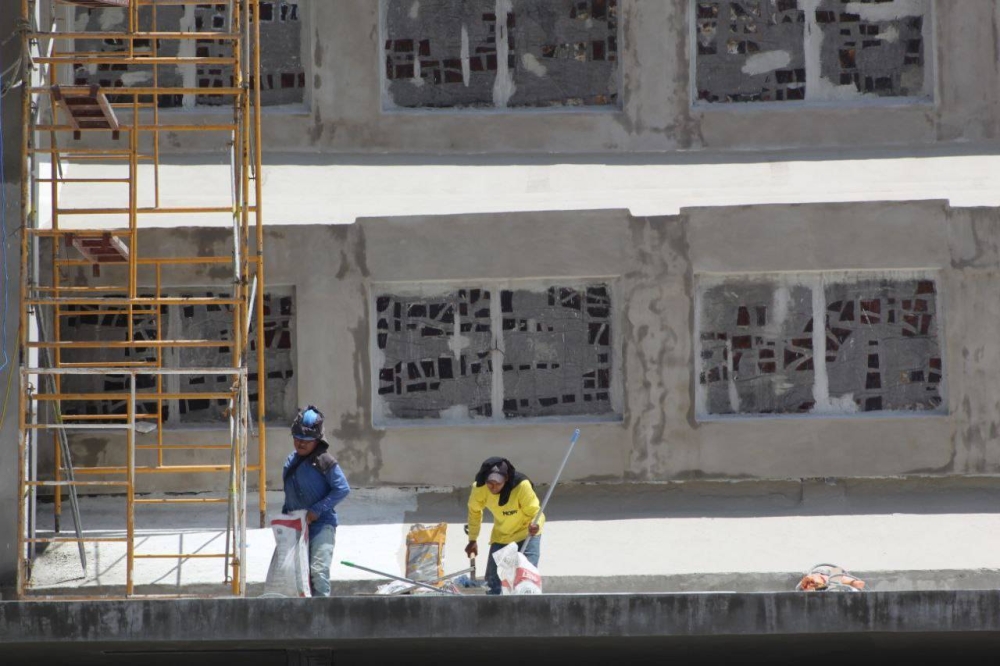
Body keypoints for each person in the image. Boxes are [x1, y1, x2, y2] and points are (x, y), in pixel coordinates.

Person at [281, 405, 350, 597]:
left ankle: (322, 618)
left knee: (318, 572)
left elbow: (342, 488)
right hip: (296, 526)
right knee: (298, 578)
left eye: (306, 441)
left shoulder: (325, 461)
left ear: (317, 440)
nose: (300, 444)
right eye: (297, 439)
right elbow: (289, 495)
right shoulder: (290, 462)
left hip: (322, 525)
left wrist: (317, 510)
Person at [464, 457, 545, 595]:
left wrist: (536, 525)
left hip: (527, 534)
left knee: (526, 581)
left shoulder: (521, 486)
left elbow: (536, 513)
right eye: (490, 483)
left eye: (498, 483)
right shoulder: (479, 487)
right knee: (492, 584)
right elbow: (474, 512)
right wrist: (472, 539)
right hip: (502, 536)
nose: (493, 487)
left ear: (506, 479)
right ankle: (492, 613)